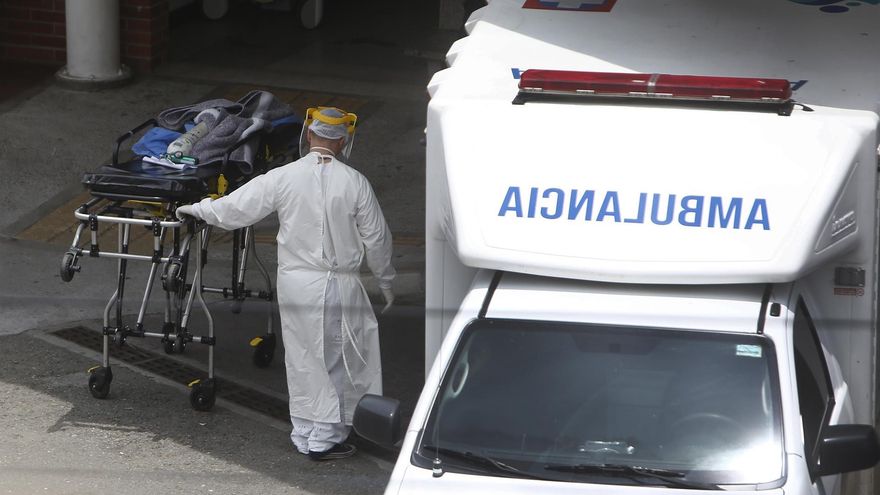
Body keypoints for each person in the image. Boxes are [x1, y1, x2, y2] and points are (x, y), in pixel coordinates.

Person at [176, 107, 395, 461]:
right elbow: (378, 240)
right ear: (343, 141)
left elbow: (235, 209)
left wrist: (196, 209)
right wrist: (385, 281)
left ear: (309, 134)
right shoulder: (354, 182)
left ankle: (306, 431)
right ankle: (325, 438)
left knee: (303, 357)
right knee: (336, 358)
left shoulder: (283, 176)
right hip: (337, 284)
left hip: (296, 283)